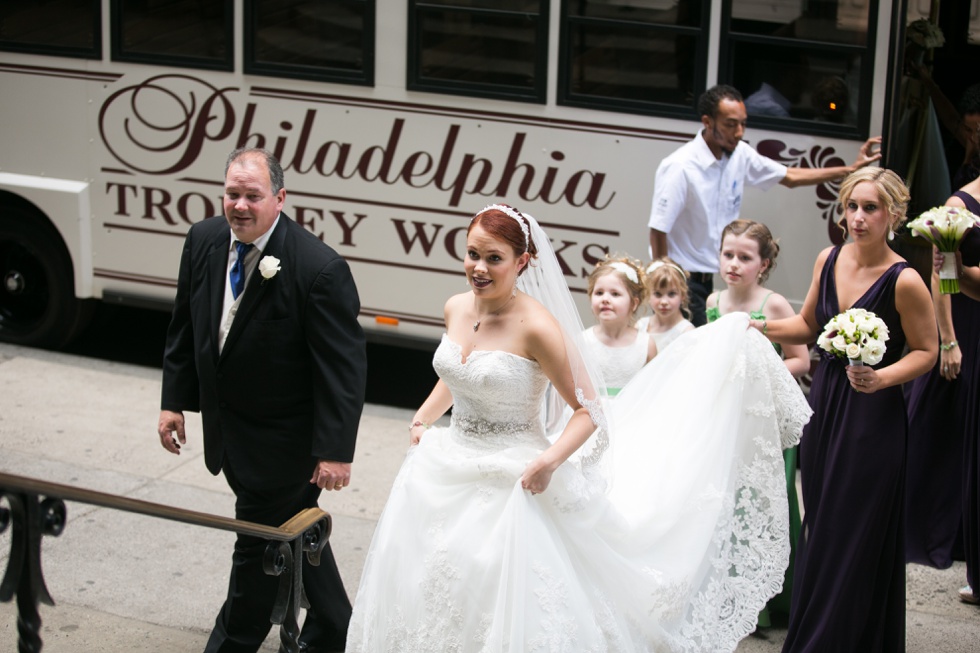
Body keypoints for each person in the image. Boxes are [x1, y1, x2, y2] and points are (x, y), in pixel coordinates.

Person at [345, 204, 812, 652]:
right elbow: (457, 372)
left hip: (515, 475)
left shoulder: (538, 327)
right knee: (427, 578)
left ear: (522, 261)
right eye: (472, 254)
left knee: (496, 583)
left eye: (494, 259)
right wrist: (424, 416)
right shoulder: (455, 307)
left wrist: (548, 461)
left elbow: (589, 409)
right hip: (449, 464)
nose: (479, 268)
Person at [157, 147, 368, 653]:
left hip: (284, 442)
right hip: (231, 434)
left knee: (255, 548)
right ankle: (335, 631)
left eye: (253, 195)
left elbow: (343, 369)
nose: (240, 205)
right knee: (296, 539)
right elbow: (187, 326)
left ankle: (231, 643)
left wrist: (335, 450)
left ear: (279, 198)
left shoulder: (318, 269)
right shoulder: (203, 240)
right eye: (232, 194)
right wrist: (174, 401)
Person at [756, 168, 937, 652]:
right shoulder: (828, 258)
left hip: (874, 420)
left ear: (894, 215)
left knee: (854, 528)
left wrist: (882, 378)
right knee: (824, 524)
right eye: (852, 206)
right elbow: (805, 325)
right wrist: (751, 327)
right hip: (827, 409)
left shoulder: (906, 280)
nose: (857, 218)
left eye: (870, 208)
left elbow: (927, 351)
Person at [648, 84, 883, 326]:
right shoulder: (680, 166)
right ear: (707, 122)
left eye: (743, 123)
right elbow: (658, 228)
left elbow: (790, 177)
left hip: (711, 277)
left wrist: (851, 170)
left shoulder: (739, 154)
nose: (739, 132)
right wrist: (665, 280)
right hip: (683, 279)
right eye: (730, 124)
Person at [705, 219, 809, 629]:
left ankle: (779, 599)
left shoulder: (774, 305)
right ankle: (729, 593)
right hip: (725, 418)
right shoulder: (714, 302)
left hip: (764, 419)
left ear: (763, 265)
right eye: (727, 254)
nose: (733, 264)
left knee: (770, 500)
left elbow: (800, 359)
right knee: (725, 500)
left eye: (744, 257)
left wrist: (758, 377)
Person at [905, 178, 980, 580]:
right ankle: (935, 529)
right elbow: (943, 276)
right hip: (964, 324)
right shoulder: (960, 203)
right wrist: (947, 339)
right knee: (945, 423)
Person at [582, 256, 657, 396]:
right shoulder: (583, 341)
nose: (605, 299)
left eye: (615, 294)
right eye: (599, 293)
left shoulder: (646, 345)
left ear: (634, 303)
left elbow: (652, 391)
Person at [636, 257, 696, 351]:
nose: (664, 302)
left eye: (671, 294)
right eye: (658, 294)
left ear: (682, 295)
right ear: (648, 294)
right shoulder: (641, 326)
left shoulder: (687, 332)